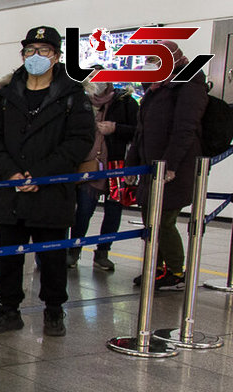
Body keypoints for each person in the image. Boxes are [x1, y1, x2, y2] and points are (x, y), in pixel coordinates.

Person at [0, 25, 94, 337]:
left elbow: (80, 141)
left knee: (52, 255)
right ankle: (8, 309)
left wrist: (41, 174)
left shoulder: (72, 96)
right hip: (11, 190)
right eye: (30, 51)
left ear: (55, 56)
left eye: (43, 51)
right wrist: (12, 173)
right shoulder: (6, 95)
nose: (35, 56)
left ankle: (54, 311)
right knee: (9, 255)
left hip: (51, 190)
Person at [125, 40, 208, 291]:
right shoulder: (154, 89)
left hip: (174, 169)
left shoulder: (188, 85)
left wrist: (170, 165)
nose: (151, 64)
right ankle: (157, 268)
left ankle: (175, 270)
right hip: (151, 167)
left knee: (163, 220)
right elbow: (142, 131)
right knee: (151, 219)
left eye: (156, 60)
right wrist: (132, 165)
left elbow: (185, 129)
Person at [69, 73, 138, 271]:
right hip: (87, 165)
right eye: (91, 77)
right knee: (83, 210)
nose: (96, 82)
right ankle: (74, 250)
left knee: (113, 210)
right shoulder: (80, 102)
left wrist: (115, 128)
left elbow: (138, 131)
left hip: (116, 165)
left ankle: (103, 252)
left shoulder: (124, 101)